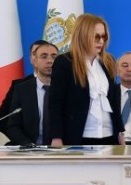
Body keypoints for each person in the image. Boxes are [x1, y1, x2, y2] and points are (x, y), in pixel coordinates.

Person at [48, 13, 122, 146]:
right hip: (78, 135)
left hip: (108, 134)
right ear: (83, 35)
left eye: (104, 36)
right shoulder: (64, 62)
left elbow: (114, 101)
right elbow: (55, 103)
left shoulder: (108, 61)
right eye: (96, 37)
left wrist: (120, 132)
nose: (101, 41)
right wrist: (56, 136)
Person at [3, 41, 59, 145]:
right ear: (35, 61)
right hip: (29, 149)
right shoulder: (22, 90)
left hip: (61, 148)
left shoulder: (69, 88)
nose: (50, 61)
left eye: (54, 57)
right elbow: (13, 126)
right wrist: (28, 145)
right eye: (44, 57)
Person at [0, 40, 52, 135]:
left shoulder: (64, 83)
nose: (46, 60)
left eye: (45, 55)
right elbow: (1, 122)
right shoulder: (19, 86)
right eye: (35, 54)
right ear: (31, 59)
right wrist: (22, 139)